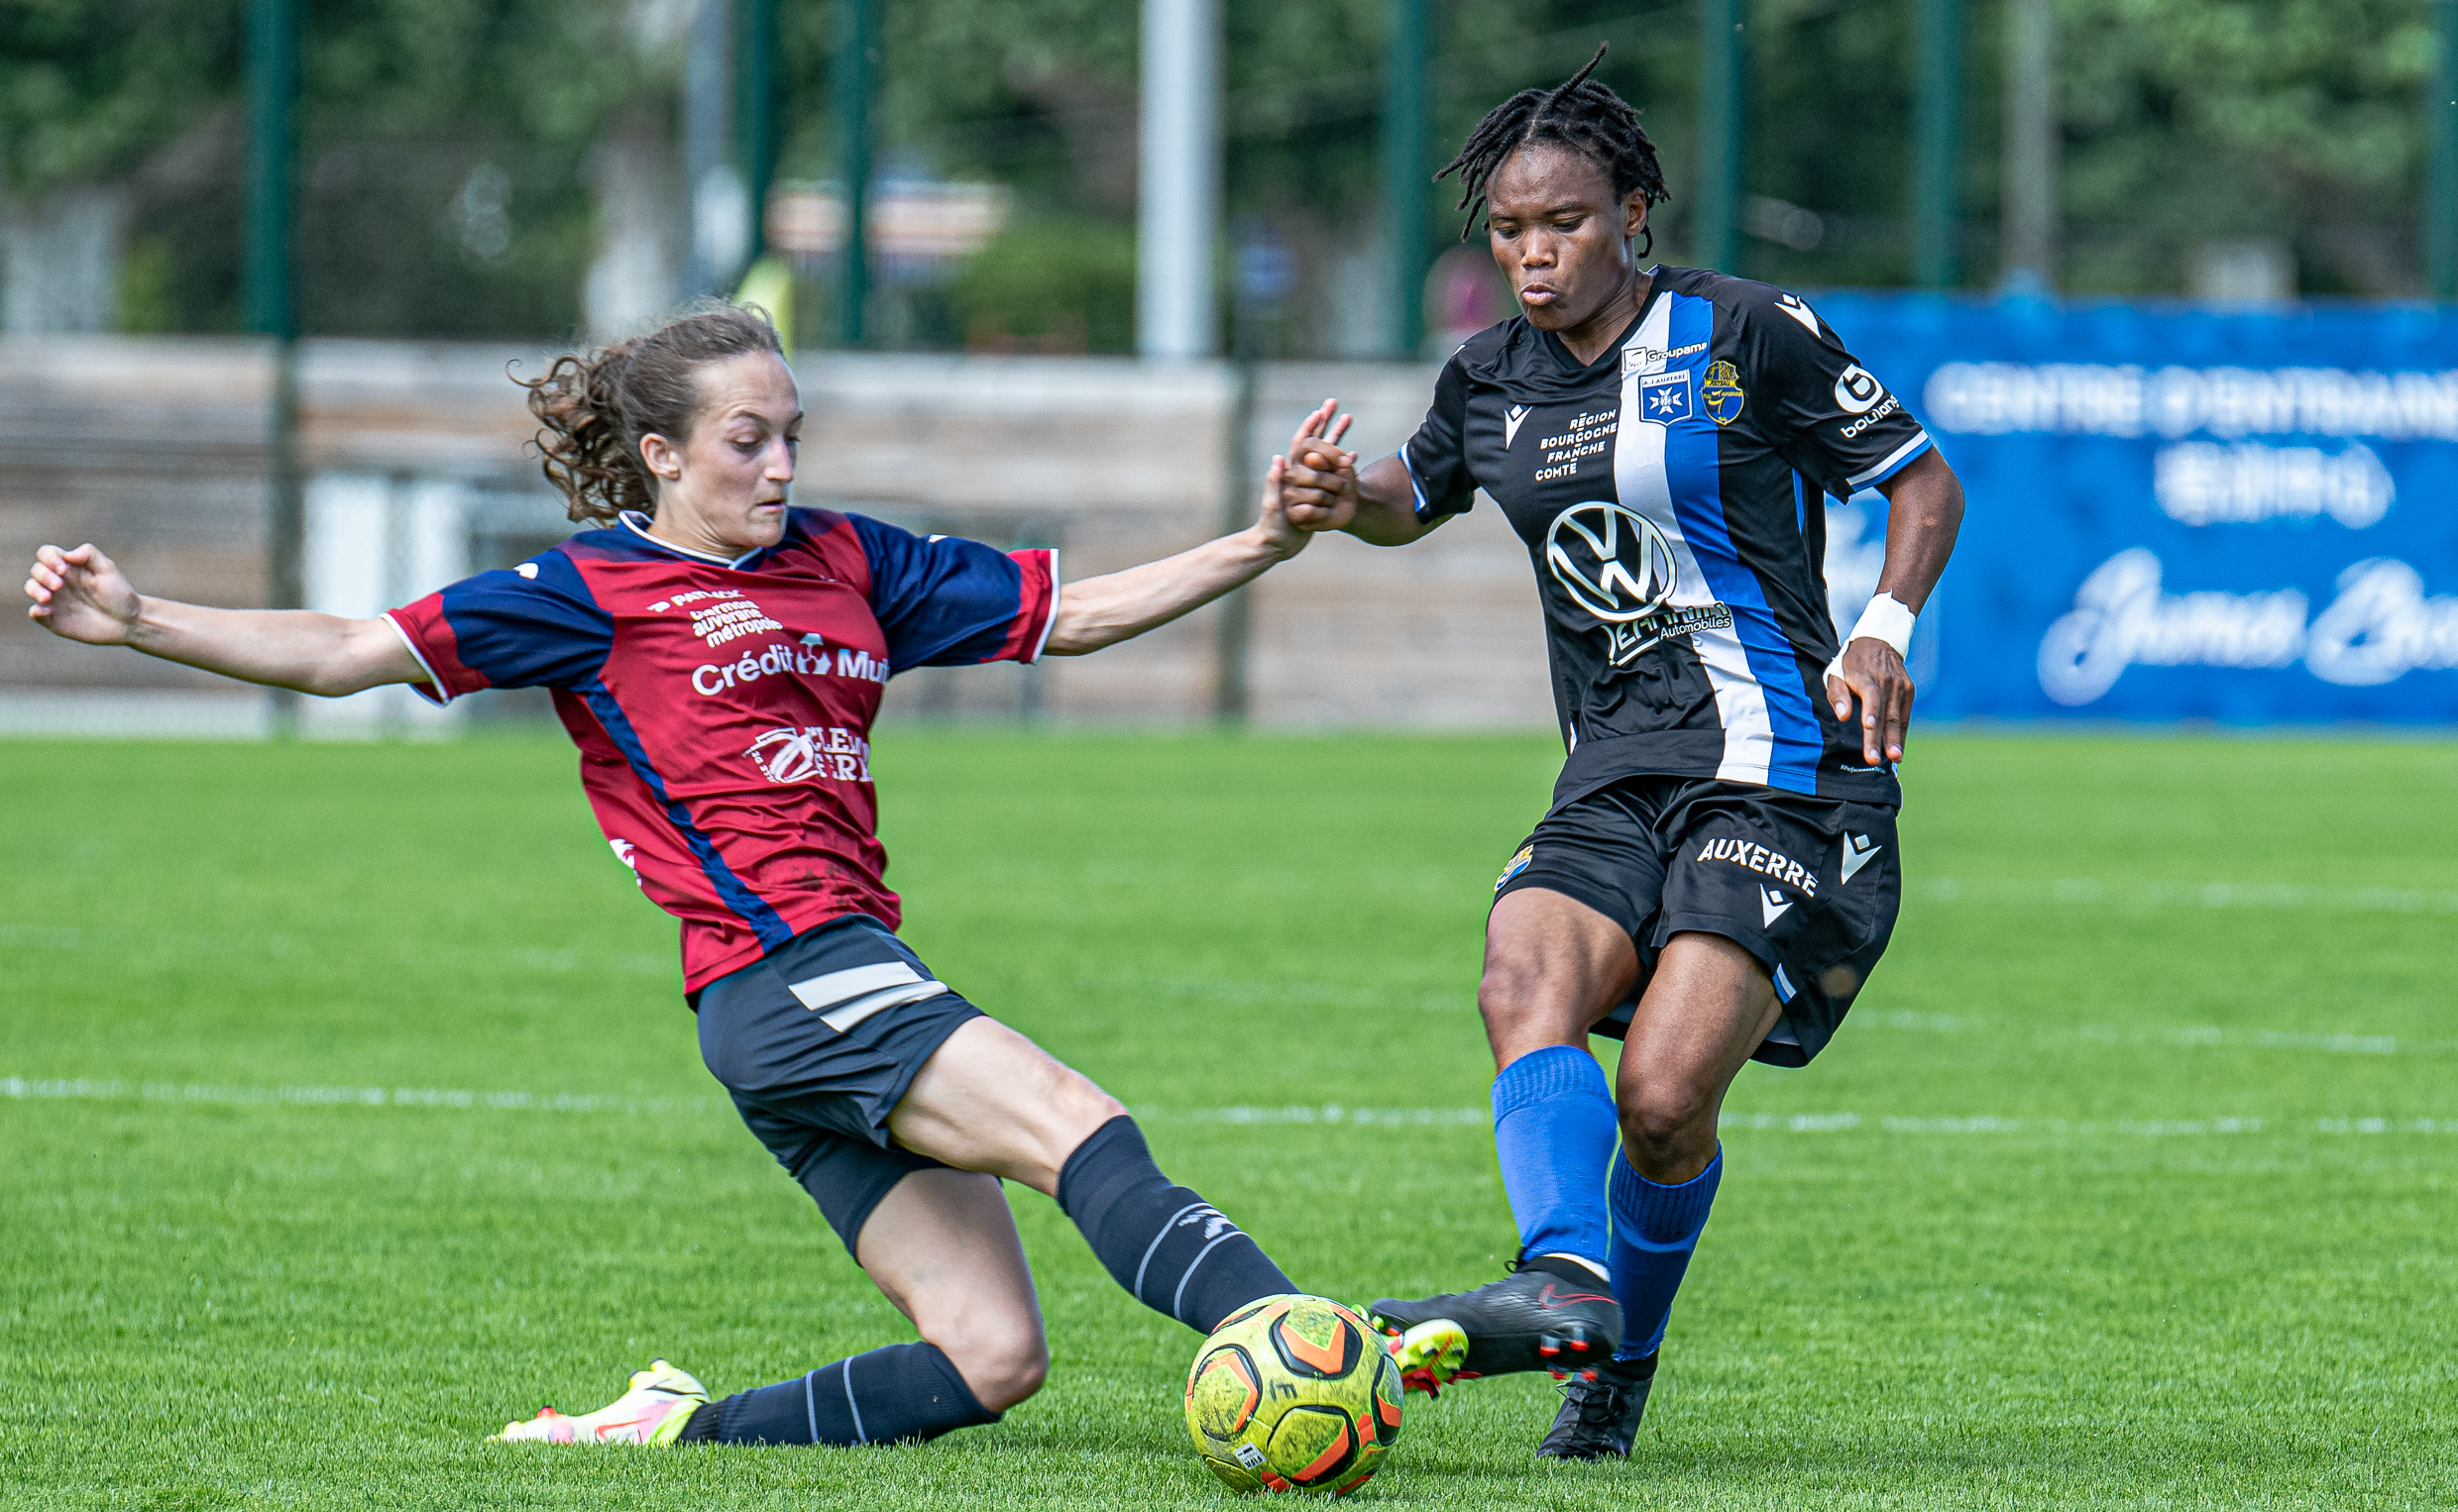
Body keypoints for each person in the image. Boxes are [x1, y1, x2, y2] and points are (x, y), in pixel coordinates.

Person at [20, 303, 1461, 1451]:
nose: (779, 468)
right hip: (794, 967)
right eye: (746, 442)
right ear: (660, 456)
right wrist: (139, 616)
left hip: (803, 997)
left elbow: (1069, 613)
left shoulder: (845, 555)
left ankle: (671, 1432)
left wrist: (1268, 539)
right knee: (1082, 1125)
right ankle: (1310, 1339)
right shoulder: (589, 591)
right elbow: (347, 651)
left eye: (791, 439)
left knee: (992, 1356)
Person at [1275, 47, 1965, 1459]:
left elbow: (1920, 476)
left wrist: (1884, 625)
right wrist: (1347, 498)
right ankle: (1565, 1278)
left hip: (1780, 764)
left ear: (1634, 210)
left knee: (1659, 1101)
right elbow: (1423, 486)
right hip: (1612, 766)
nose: (1534, 255)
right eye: (1512, 231)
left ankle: (1615, 1367)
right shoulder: (1490, 372)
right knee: (1520, 965)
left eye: (1566, 222)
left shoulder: (1745, 332)